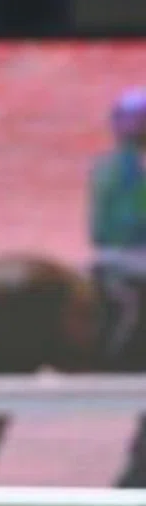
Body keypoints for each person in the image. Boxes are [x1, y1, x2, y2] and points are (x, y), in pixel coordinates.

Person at [89, 88, 146, 365]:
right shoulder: (135, 169)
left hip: (106, 254)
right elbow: (136, 218)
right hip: (134, 255)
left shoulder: (104, 165)